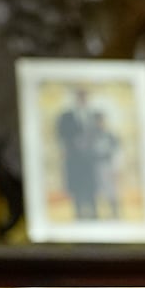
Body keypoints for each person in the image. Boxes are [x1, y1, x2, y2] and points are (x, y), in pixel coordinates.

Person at [55, 89, 98, 219]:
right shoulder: (67, 116)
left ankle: (93, 213)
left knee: (91, 186)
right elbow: (61, 134)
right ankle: (78, 213)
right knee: (77, 186)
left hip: (90, 158)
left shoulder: (91, 115)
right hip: (74, 158)